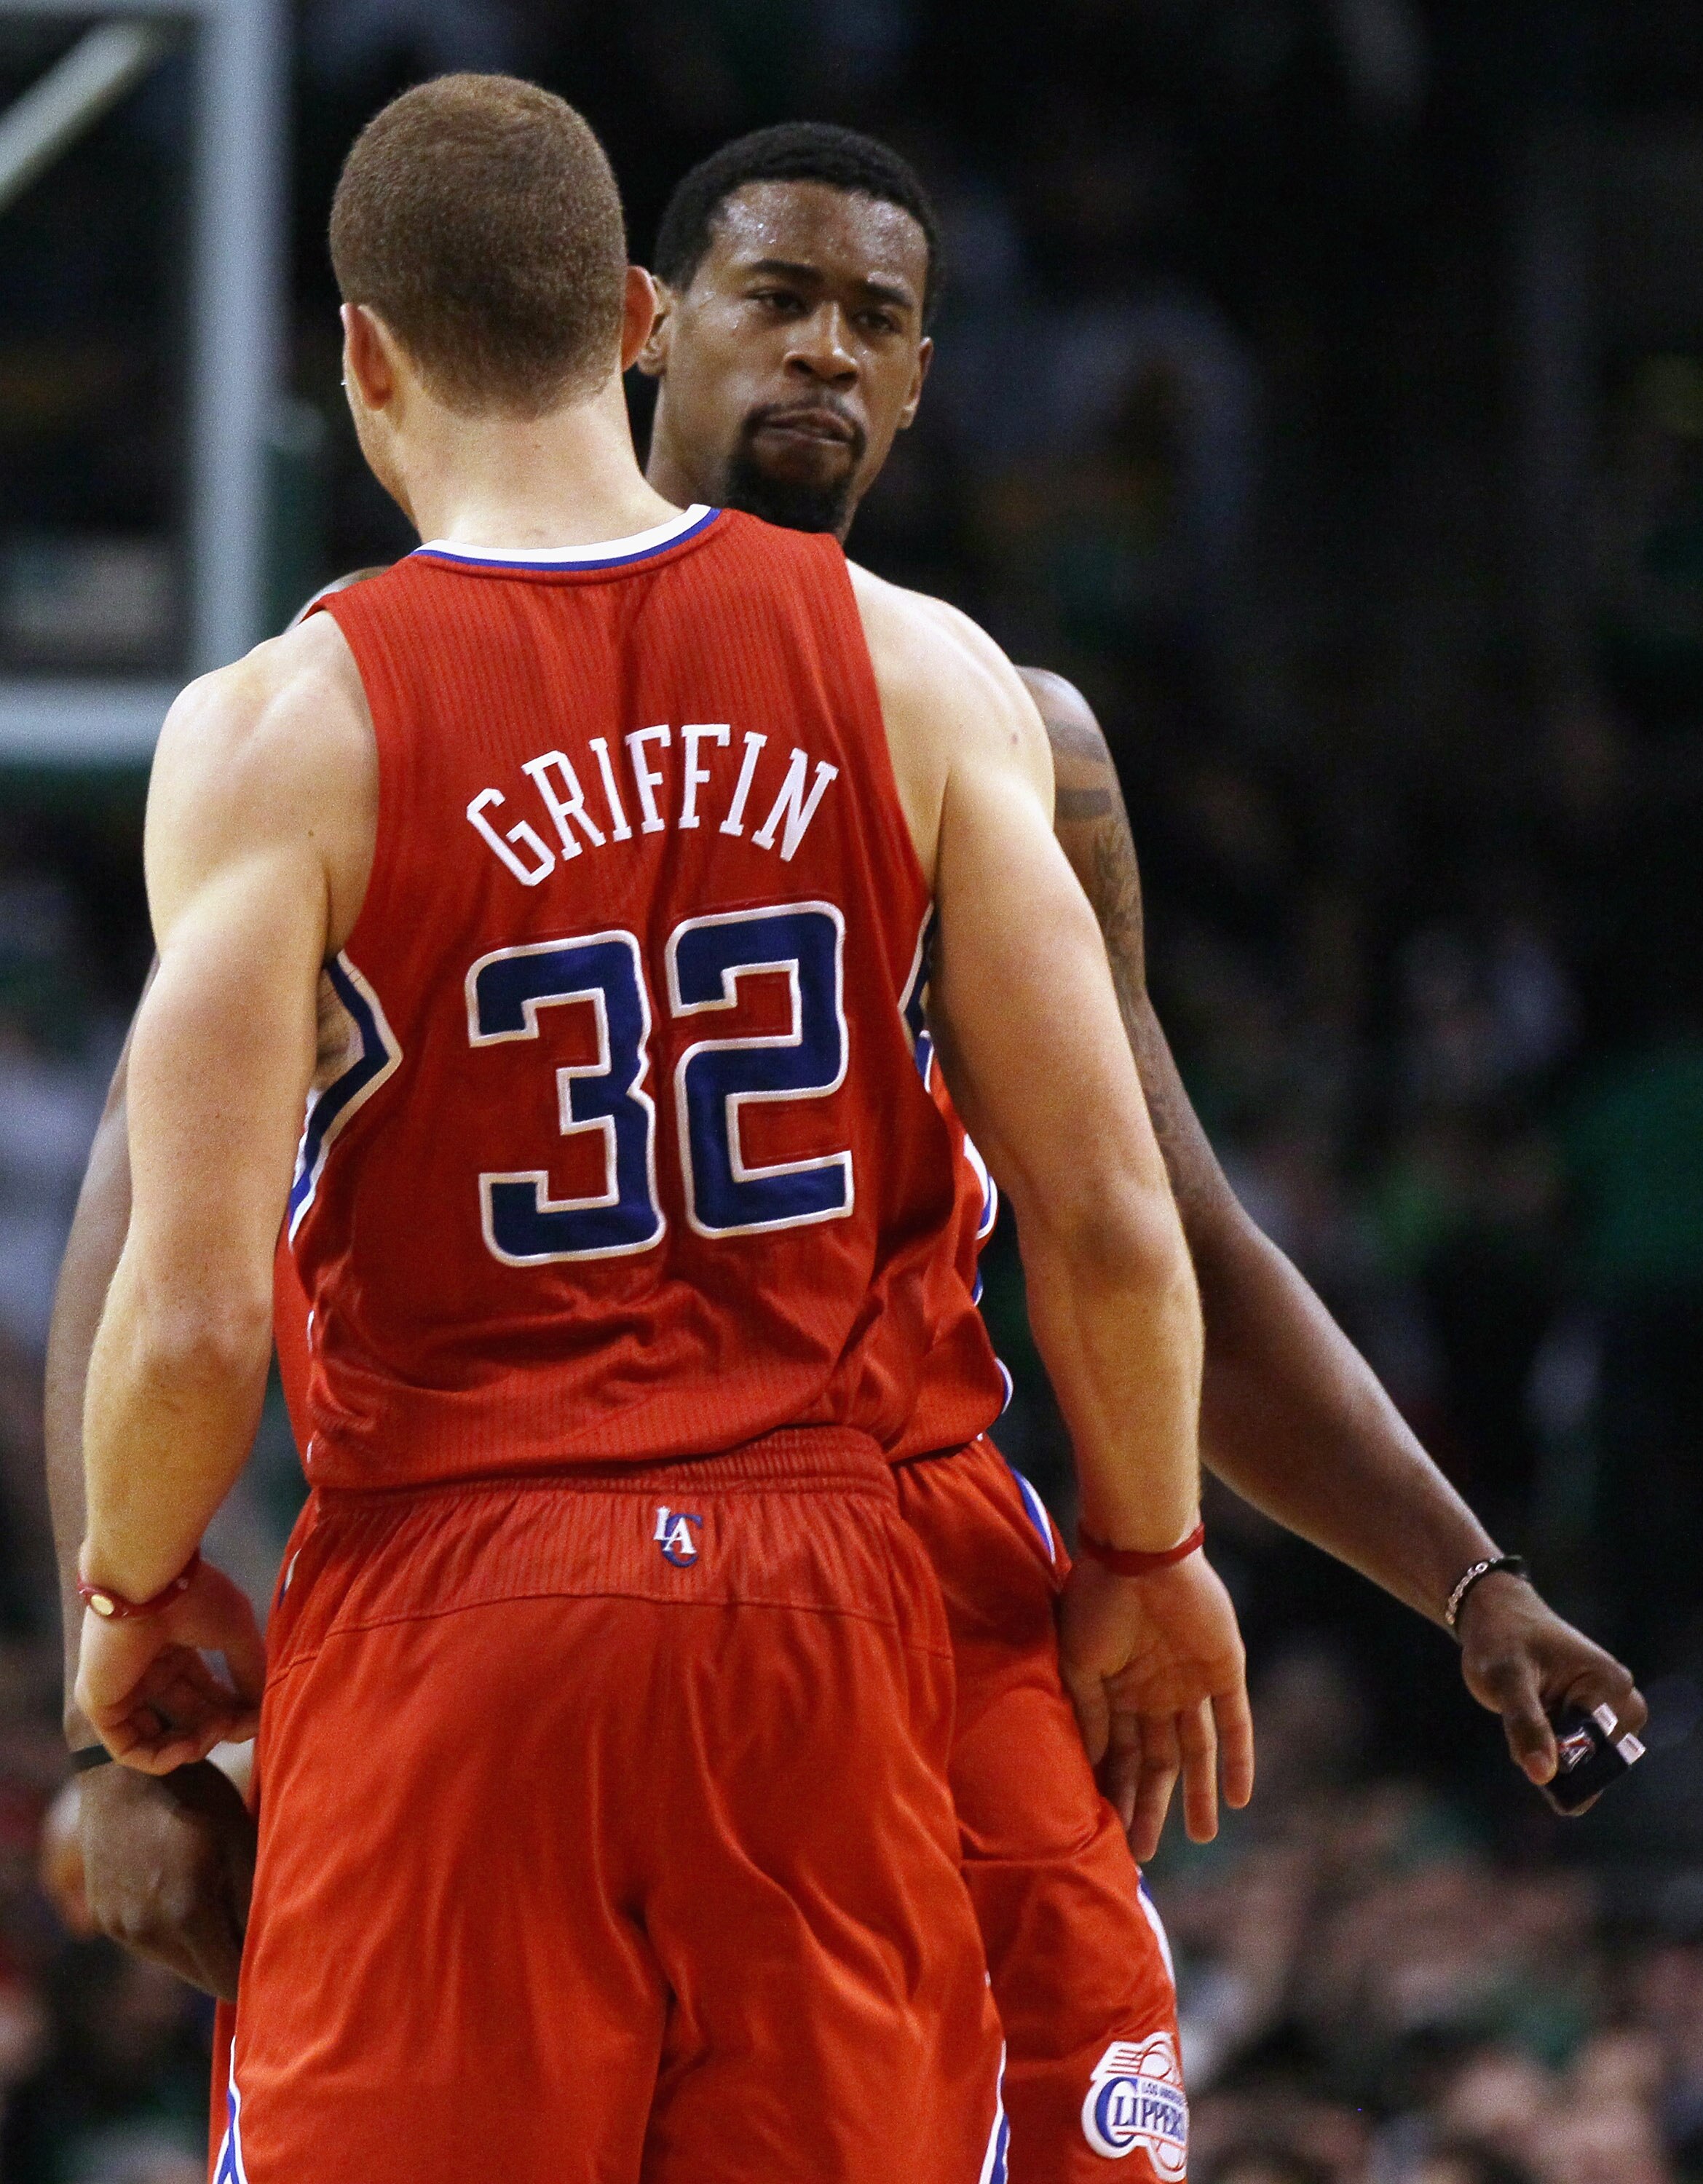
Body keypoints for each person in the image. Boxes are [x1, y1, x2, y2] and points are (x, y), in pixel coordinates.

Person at [42, 114, 1644, 2184]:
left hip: (642, 1585)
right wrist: (1154, 1552)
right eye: (774, 300)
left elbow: (1155, 1224)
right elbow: (1112, 1241)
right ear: (641, 324)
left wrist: (1452, 1570)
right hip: (819, 1611)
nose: (817, 356)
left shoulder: (287, 730)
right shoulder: (924, 695)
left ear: (365, 360)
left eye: (872, 318)